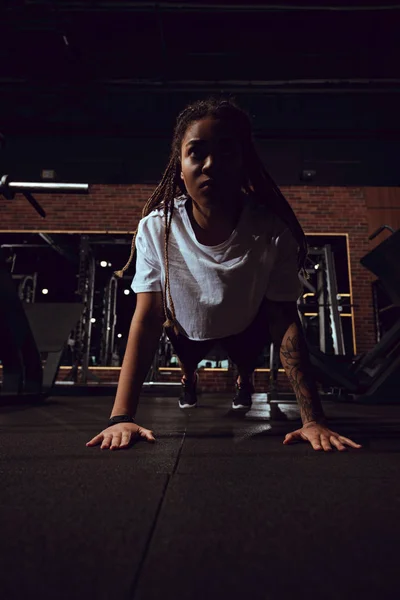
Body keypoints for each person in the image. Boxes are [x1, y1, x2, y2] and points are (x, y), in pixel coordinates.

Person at [86, 97, 362, 453]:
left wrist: (313, 420)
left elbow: (283, 318)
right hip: (187, 327)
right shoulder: (156, 229)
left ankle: (243, 378)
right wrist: (120, 417)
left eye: (227, 152)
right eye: (196, 153)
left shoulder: (272, 230)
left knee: (246, 361)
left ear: (245, 162)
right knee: (186, 357)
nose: (210, 165)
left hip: (245, 325)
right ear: (180, 165)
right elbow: (148, 316)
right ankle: (190, 378)